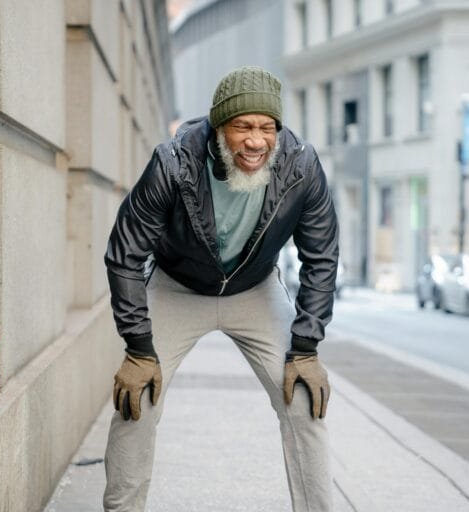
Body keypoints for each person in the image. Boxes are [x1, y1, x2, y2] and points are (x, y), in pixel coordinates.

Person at [103, 65, 339, 512]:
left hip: (254, 289)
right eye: (243, 127)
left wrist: (306, 347)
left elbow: (322, 256)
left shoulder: (302, 167)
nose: (256, 141)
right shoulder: (172, 163)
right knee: (138, 399)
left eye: (267, 128)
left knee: (304, 397)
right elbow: (125, 253)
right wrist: (138, 348)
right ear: (218, 127)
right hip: (177, 287)